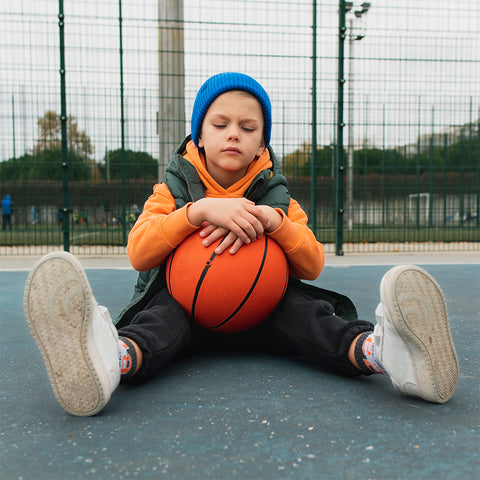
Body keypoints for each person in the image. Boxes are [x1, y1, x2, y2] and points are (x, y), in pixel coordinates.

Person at [23, 73, 459, 417]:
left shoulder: (278, 198)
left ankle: (385, 353)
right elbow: (139, 251)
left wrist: (276, 224)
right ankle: (108, 359)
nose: (234, 134)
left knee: (311, 316)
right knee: (157, 320)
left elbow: (312, 265)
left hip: (265, 311)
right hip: (188, 312)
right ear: (198, 136)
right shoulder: (171, 191)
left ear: (261, 143)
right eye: (220, 124)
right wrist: (195, 213)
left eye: (248, 127)